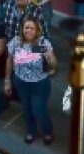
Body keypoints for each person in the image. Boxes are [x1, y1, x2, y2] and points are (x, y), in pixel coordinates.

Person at [5, 16, 56, 145]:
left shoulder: (43, 43)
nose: (29, 30)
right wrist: (7, 80)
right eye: (26, 27)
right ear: (22, 29)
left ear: (37, 30)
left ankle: (47, 131)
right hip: (20, 81)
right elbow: (9, 61)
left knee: (39, 109)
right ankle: (31, 130)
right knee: (26, 108)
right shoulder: (16, 42)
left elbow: (54, 65)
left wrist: (50, 58)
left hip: (39, 84)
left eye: (32, 28)